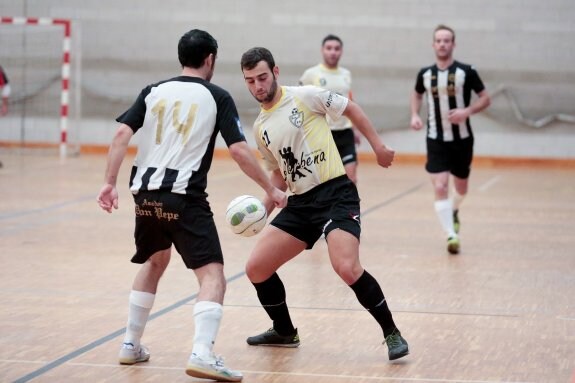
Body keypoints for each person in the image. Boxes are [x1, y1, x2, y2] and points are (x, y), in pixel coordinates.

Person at [97, 30, 286, 382]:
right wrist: (270, 190)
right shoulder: (217, 96)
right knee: (212, 274)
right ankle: (202, 353)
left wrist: (109, 182)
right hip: (183, 197)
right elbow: (240, 151)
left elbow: (122, 134)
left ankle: (130, 344)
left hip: (145, 196)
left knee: (156, 260)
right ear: (211, 59)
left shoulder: (153, 91)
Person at [239, 47, 409, 361]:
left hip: (335, 194)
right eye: (250, 81)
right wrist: (264, 208)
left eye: (262, 77)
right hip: (301, 204)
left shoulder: (305, 96)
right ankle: (284, 331)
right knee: (256, 268)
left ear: (275, 72)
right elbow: (278, 174)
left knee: (346, 267)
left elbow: (352, 109)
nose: (257, 86)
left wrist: (379, 147)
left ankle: (391, 332)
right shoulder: (260, 128)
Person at [410, 24, 490, 255]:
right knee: (441, 185)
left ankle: (454, 210)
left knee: (461, 187)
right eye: (439, 40)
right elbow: (416, 93)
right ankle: (451, 235)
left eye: (447, 40)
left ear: (453, 44)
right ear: (433, 44)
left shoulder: (467, 71)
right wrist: (415, 114)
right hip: (435, 138)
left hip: (462, 140)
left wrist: (467, 111)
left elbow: (485, 98)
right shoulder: (425, 74)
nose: (443, 44)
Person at [299, 34, 361, 184]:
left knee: (351, 180)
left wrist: (355, 129)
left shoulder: (346, 74)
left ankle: (349, 208)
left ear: (341, 51)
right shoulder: (311, 74)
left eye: (337, 49)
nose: (333, 52)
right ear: (322, 50)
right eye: (329, 48)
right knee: (326, 182)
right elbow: (299, 101)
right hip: (323, 133)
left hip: (345, 133)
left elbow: (350, 101)